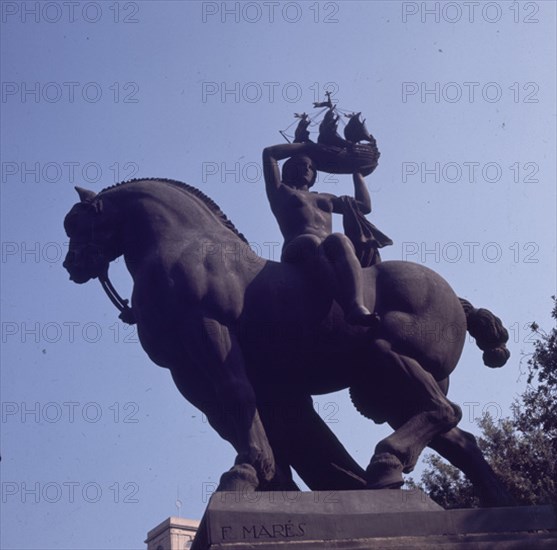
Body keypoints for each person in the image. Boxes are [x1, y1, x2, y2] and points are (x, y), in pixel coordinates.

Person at [262, 142, 379, 327]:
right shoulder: (280, 192)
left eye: (311, 167)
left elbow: (364, 206)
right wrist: (304, 147)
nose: (307, 169)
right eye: (301, 165)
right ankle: (342, 303)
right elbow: (269, 153)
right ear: (289, 169)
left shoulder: (326, 198)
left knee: (340, 239)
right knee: (312, 241)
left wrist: (357, 172)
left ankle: (357, 305)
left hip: (329, 246)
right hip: (298, 246)